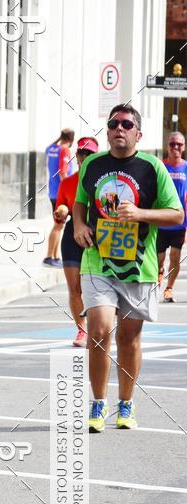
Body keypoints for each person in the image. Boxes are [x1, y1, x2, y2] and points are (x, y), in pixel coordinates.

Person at [73, 104, 183, 432]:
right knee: (99, 330)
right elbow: (80, 202)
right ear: (107, 132)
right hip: (98, 260)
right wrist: (79, 224)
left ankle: (126, 402)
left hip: (139, 265)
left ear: (138, 133)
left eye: (126, 124)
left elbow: (176, 214)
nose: (119, 128)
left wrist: (140, 214)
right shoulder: (92, 164)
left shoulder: (152, 168)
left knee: (129, 336)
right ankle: (97, 402)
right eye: (113, 123)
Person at [53, 136, 99, 347]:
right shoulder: (68, 183)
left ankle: (99, 327)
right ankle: (82, 330)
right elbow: (60, 212)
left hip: (98, 236)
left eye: (90, 153)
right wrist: (60, 213)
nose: (85, 156)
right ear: (77, 156)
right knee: (74, 289)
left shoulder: (103, 182)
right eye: (82, 152)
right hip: (73, 235)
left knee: (96, 288)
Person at [157, 131, 187, 303]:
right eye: (172, 144)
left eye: (179, 144)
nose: (176, 147)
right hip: (161, 221)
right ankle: (159, 273)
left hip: (179, 221)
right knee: (159, 258)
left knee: (175, 256)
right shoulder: (160, 166)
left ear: (184, 147)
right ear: (167, 146)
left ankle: (169, 288)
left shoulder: (186, 168)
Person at [43, 128, 75, 267]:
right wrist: (68, 191)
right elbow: (63, 173)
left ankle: (55, 257)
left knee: (59, 225)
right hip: (60, 194)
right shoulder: (65, 150)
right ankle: (48, 257)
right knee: (58, 225)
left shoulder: (52, 149)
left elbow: (49, 147)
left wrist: (60, 138)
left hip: (53, 193)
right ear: (71, 140)